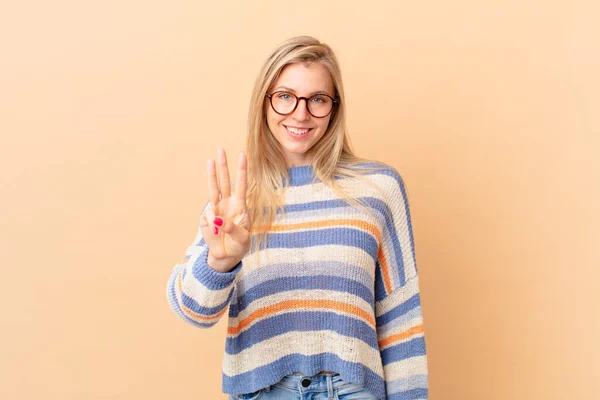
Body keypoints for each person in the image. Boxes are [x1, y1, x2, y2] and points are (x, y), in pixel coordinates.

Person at [166, 36, 429, 400]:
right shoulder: (238, 204)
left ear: (334, 109)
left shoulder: (378, 188)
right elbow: (192, 311)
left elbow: (401, 321)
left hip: (352, 390)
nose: (300, 114)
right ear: (265, 103)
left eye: (317, 99)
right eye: (285, 96)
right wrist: (220, 261)